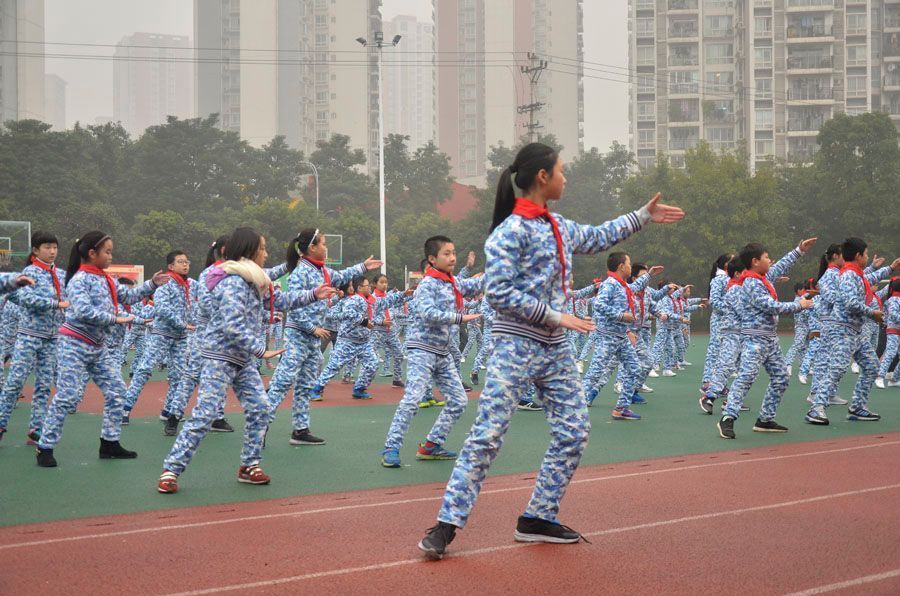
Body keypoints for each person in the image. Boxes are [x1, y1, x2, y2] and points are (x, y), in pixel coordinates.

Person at [417, 142, 684, 560]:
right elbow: (501, 294)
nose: (566, 177)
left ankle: (538, 516)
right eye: (562, 170)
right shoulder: (508, 233)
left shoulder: (557, 225)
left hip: (555, 348)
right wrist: (556, 317)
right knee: (486, 436)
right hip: (515, 344)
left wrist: (642, 216)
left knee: (574, 431)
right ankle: (446, 525)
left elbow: (598, 237)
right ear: (543, 177)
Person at [158, 227, 336, 493]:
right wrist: (259, 349)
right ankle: (171, 470)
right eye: (263, 248)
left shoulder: (252, 279)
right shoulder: (232, 281)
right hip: (221, 357)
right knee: (205, 414)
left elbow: (279, 300)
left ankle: (248, 465)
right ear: (250, 251)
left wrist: (313, 294)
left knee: (260, 408)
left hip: (242, 359)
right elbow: (232, 324)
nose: (266, 254)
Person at [36, 231, 168, 467]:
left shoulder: (107, 278)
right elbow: (82, 311)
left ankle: (109, 442)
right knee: (66, 394)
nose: (110, 255)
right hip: (74, 343)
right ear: (91, 253)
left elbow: (128, 295)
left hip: (97, 346)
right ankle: (45, 446)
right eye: (107, 252)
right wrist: (114, 318)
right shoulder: (79, 280)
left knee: (117, 390)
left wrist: (151, 284)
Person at [266, 228, 380, 445]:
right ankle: (260, 427)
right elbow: (294, 305)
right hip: (298, 334)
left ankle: (300, 430)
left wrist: (363, 267)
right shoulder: (301, 272)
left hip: (311, 337)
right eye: (324, 243)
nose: (327, 248)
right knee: (282, 382)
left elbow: (343, 275)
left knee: (305, 385)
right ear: (312, 247)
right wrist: (312, 329)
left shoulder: (322, 271)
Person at [381, 236, 484, 468]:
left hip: (442, 352)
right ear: (432, 258)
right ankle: (391, 447)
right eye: (446, 253)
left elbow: (477, 284)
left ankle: (431, 445)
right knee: (413, 398)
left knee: (458, 400)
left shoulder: (452, 282)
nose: (452, 257)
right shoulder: (428, 284)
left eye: (453, 252)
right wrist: (460, 318)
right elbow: (428, 313)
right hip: (421, 349)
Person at [716, 238, 817, 440]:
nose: (770, 260)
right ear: (755, 261)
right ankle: (727, 418)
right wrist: (800, 305)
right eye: (766, 257)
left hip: (770, 339)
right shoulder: (751, 283)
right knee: (746, 378)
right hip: (754, 340)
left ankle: (765, 419)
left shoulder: (762, 277)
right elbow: (771, 306)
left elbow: (781, 265)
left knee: (781, 377)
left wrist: (799, 251)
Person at [805, 239, 900, 425]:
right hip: (842, 330)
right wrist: (871, 312)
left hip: (855, 332)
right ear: (858, 256)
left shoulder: (855, 274)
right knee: (837, 368)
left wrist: (890, 268)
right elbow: (849, 302)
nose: (866, 257)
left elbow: (868, 280)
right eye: (865, 254)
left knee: (872, 366)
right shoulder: (848, 274)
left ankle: (857, 407)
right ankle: (816, 409)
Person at [0, 231, 68, 444]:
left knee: (44, 384)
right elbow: (28, 299)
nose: (52, 251)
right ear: (36, 250)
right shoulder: (29, 272)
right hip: (29, 336)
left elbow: (70, 298)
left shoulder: (62, 274)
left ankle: (35, 428)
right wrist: (56, 304)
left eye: (55, 247)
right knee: (15, 381)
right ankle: (1, 424)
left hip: (52, 337)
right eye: (47, 247)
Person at [122, 251, 195, 433]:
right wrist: (183, 324)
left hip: (180, 337)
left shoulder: (192, 284)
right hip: (161, 335)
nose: (185, 265)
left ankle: (168, 411)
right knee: (144, 370)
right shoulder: (165, 283)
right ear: (171, 266)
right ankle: (124, 409)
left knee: (179, 375)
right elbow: (162, 309)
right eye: (180, 262)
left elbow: (202, 303)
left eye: (187, 261)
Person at [876, 277, 900, 388]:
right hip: (893, 329)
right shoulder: (893, 299)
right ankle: (879, 376)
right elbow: (894, 315)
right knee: (890, 352)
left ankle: (895, 379)